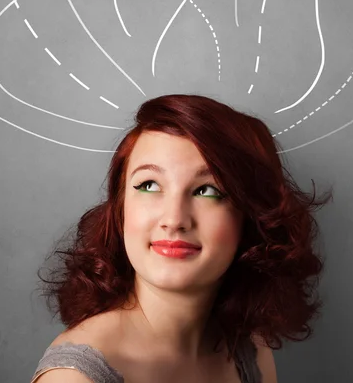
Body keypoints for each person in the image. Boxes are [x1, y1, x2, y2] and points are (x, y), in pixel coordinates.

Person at [30, 94, 333, 382]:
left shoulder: (250, 349)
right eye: (149, 185)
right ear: (120, 210)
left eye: (208, 190)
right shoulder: (73, 378)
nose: (174, 220)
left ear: (252, 217)